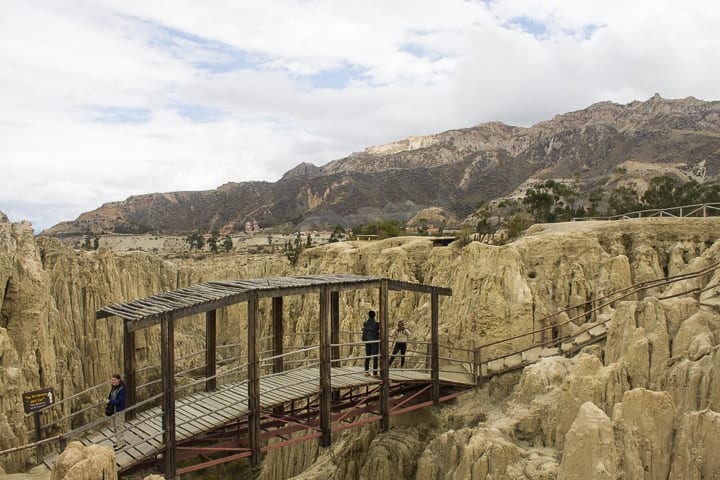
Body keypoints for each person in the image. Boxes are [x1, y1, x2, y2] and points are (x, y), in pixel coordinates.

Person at [106, 373, 127, 449]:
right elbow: (110, 395)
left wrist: (110, 401)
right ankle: (118, 441)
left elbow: (120, 401)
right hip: (114, 410)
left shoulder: (122, 389)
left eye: (114, 380)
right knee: (115, 427)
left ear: (119, 380)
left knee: (119, 426)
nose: (112, 381)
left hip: (119, 410)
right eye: (112, 380)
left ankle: (121, 443)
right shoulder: (114, 387)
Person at [362, 310, 380, 376]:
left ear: (368, 315)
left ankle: (366, 371)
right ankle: (375, 373)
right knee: (375, 357)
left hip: (367, 341)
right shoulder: (376, 324)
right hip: (374, 342)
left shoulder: (365, 323)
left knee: (367, 356)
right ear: (374, 315)